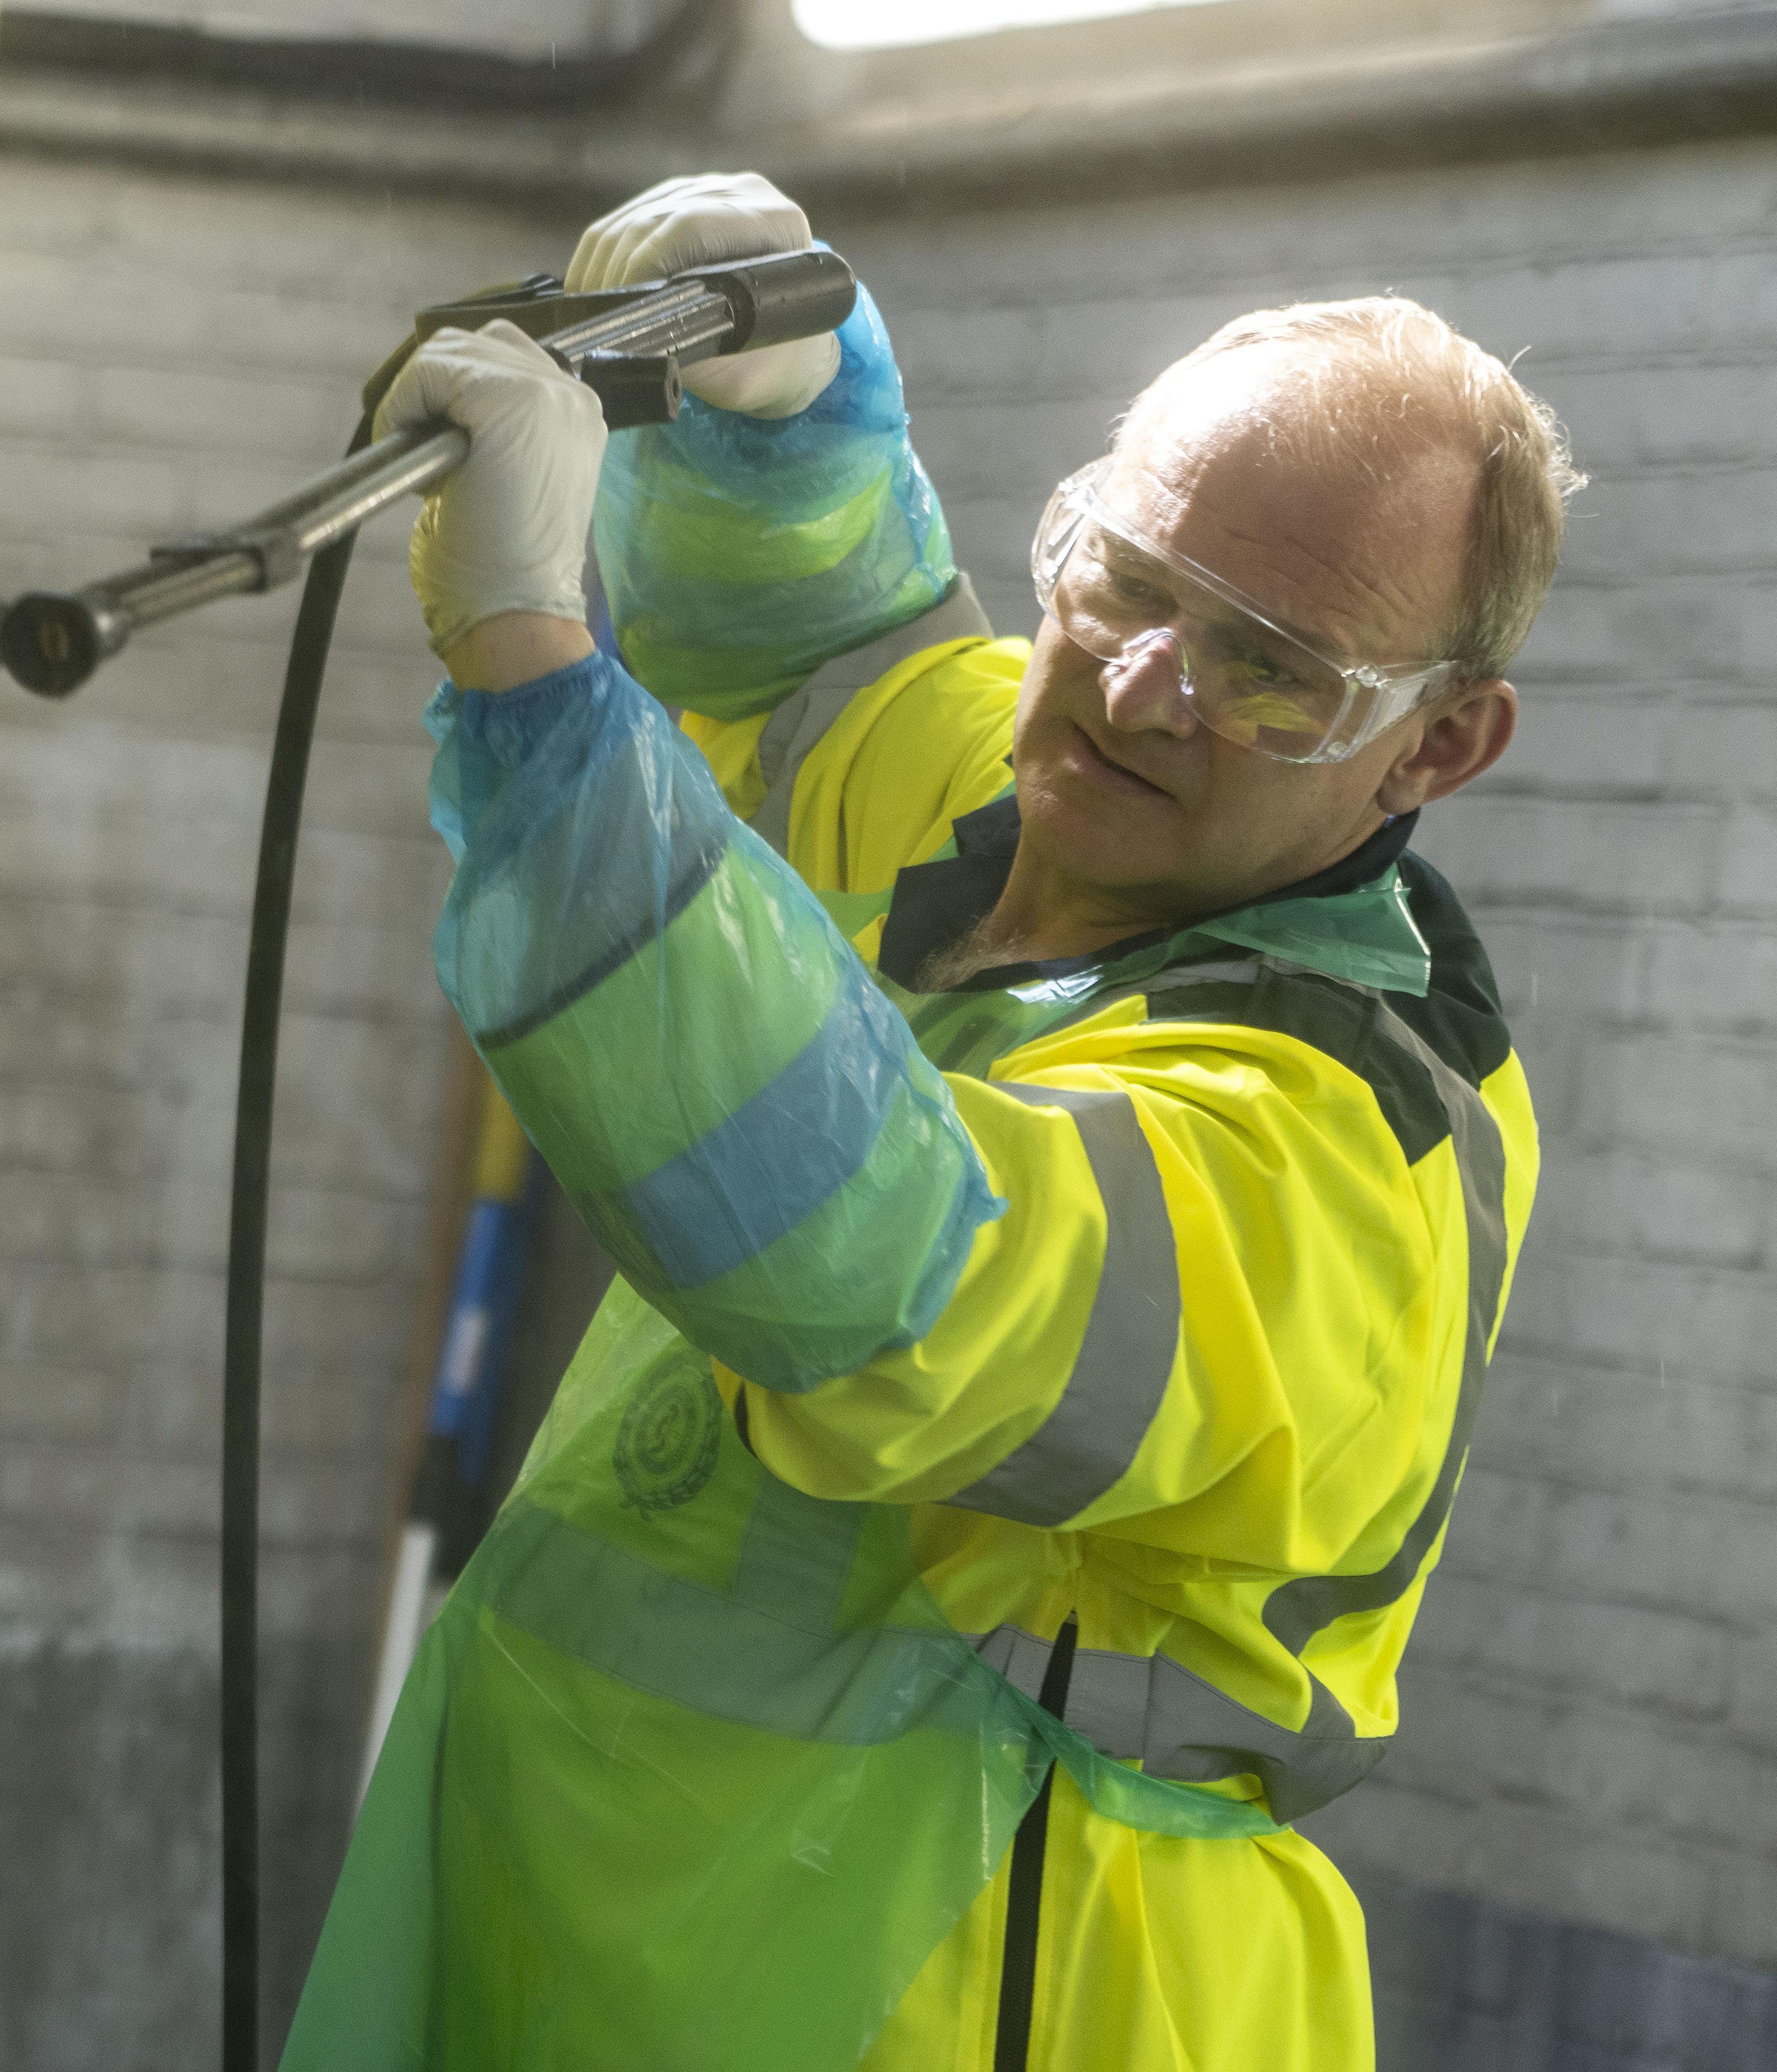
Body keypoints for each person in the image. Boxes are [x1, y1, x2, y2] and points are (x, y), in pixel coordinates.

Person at [282, 173, 1580, 2072]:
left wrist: (535, 675)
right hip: (627, 1925)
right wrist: (791, 398)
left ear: (1439, 743)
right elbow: (819, 664)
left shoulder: (1338, 1146)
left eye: (1272, 668)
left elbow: (900, 1274)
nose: (1148, 688)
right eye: (1131, 579)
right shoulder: (1039, 802)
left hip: (983, 1985)